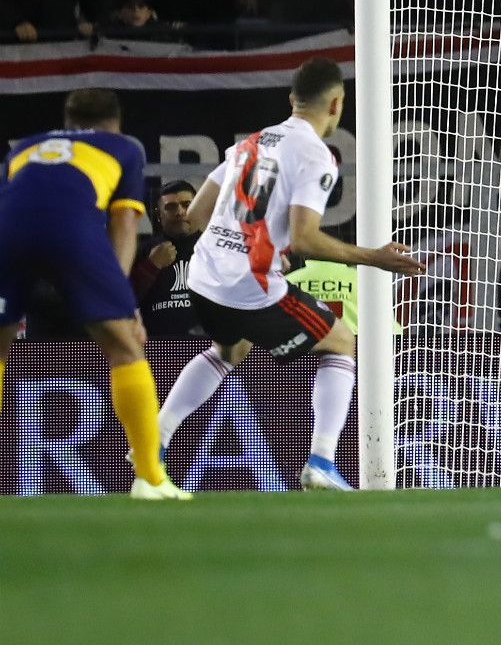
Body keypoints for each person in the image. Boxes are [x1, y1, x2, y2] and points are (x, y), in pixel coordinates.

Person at [158, 58, 427, 492]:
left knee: (228, 350)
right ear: (337, 104)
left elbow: (196, 214)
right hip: (247, 286)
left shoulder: (252, 141)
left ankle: (155, 438)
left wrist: (253, 246)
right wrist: (373, 257)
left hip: (204, 277)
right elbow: (305, 239)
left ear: (291, 100)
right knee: (341, 342)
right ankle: (321, 461)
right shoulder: (316, 154)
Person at [0, 90, 189, 499]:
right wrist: (122, 301)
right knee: (124, 346)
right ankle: (150, 478)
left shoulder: (27, 146)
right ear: (116, 122)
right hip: (73, 232)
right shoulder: (124, 147)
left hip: (7, 233)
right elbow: (123, 221)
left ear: (67, 122)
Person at [131, 181, 203, 337]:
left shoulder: (215, 249)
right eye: (171, 207)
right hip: (158, 349)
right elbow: (124, 301)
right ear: (159, 216)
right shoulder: (143, 251)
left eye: (187, 204)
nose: (180, 212)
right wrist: (150, 267)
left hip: (210, 348)